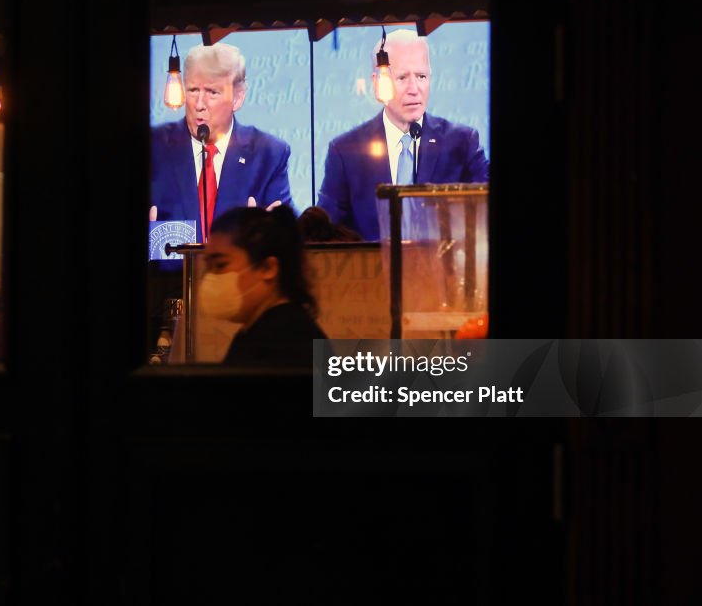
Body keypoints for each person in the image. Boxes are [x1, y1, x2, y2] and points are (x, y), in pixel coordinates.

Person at [317, 29, 489, 241]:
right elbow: (325, 233)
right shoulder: (345, 151)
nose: (414, 89)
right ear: (378, 82)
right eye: (402, 78)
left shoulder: (461, 143)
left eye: (421, 76)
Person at [150, 42, 293, 242]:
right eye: (192, 90)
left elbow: (285, 241)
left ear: (238, 98)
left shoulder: (268, 155)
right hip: (168, 274)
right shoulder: (153, 148)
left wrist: (269, 235)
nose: (199, 104)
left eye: (212, 92)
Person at [200, 206, 329, 366]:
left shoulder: (289, 342)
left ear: (268, 268)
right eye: (208, 267)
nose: (211, 277)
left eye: (220, 265)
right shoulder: (253, 333)